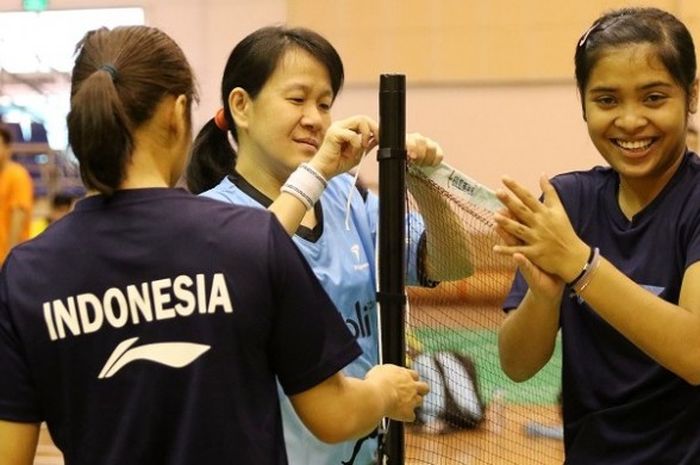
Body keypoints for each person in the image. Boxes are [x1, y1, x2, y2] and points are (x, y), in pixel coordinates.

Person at [0, 25, 429, 465]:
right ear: (177, 112)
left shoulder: (26, 273)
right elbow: (333, 414)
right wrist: (381, 391)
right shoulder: (249, 239)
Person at [186, 25, 472, 465]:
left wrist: (426, 181)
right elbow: (252, 265)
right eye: (297, 99)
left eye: (324, 103)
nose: (315, 119)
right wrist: (318, 172)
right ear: (241, 106)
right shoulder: (207, 216)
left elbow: (453, 265)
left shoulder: (347, 198)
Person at [494, 7, 700, 464]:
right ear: (583, 103)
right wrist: (544, 298)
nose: (629, 121)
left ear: (691, 97)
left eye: (653, 98)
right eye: (607, 100)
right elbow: (517, 364)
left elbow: (695, 353)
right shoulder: (568, 203)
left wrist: (580, 267)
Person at [0, 125, 33, 264]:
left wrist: (7, 263)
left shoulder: (17, 176)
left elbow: (17, 220)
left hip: (8, 261)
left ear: (8, 148)